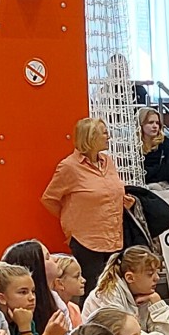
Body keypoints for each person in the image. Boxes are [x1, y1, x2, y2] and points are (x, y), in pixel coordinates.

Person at [43, 116, 128, 283]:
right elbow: (49, 199)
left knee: (114, 287)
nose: (109, 137)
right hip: (86, 241)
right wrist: (71, 219)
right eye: (104, 133)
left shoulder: (108, 162)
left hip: (114, 238)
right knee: (93, 288)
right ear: (91, 137)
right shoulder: (69, 166)